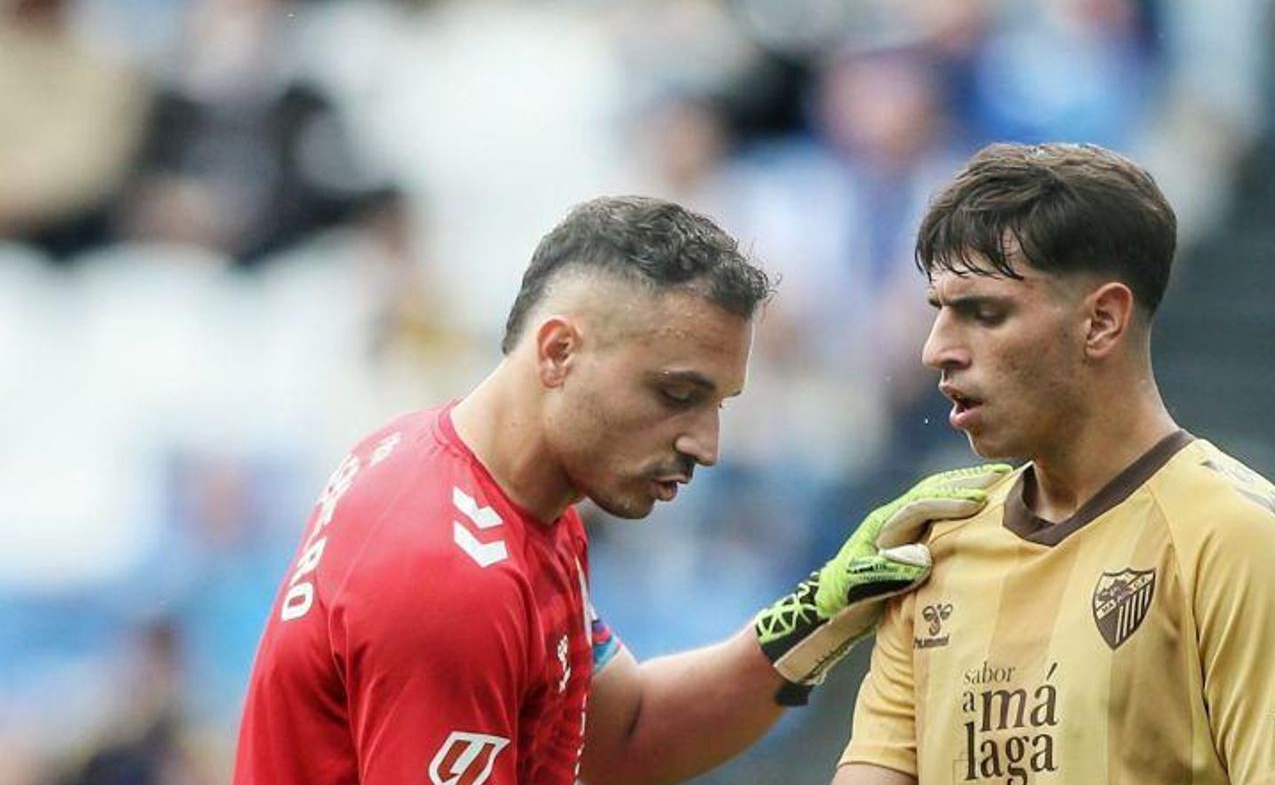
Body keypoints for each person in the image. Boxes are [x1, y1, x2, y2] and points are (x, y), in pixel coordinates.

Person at [233, 195, 1007, 784]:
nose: (706, 445)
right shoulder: (446, 577)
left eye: (718, 405)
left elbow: (626, 732)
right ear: (560, 350)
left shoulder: (493, 491)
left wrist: (828, 606)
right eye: (676, 396)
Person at [834, 143, 1275, 785]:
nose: (936, 349)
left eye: (983, 312)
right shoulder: (935, 549)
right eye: (938, 311)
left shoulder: (1238, 540)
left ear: (1102, 321)